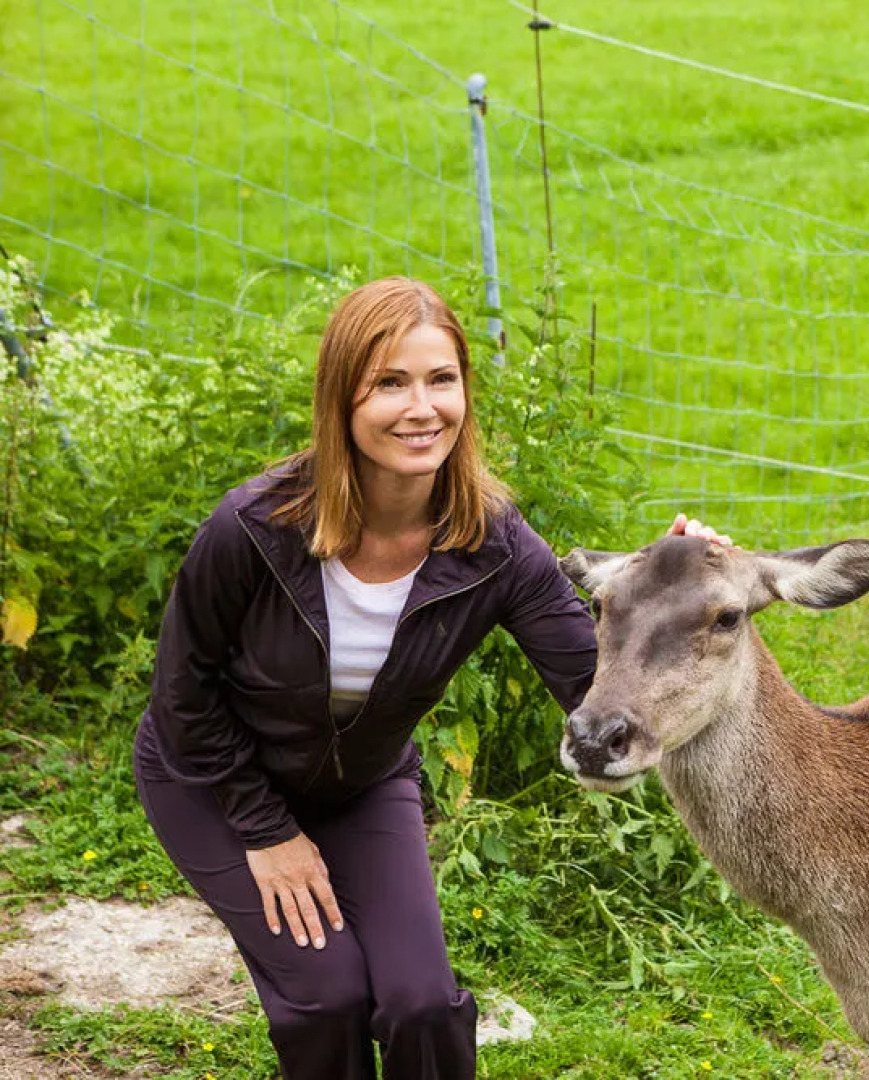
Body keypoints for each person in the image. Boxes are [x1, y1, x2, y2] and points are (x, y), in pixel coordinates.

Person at [134, 276, 725, 1080]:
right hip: (211, 782)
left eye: (441, 380)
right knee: (327, 994)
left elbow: (593, 679)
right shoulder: (251, 529)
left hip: (361, 783)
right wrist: (267, 834)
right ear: (342, 398)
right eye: (390, 383)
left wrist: (672, 588)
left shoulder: (494, 542)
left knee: (419, 1000)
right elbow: (182, 699)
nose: (422, 408)